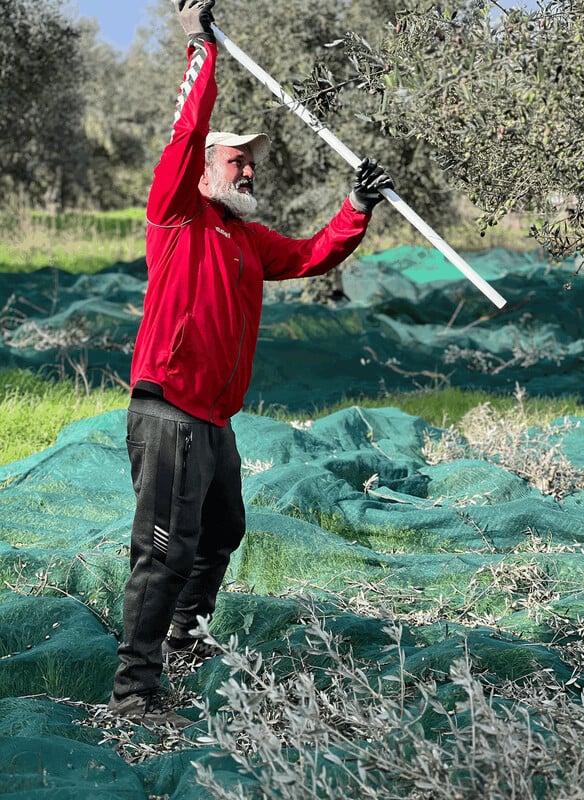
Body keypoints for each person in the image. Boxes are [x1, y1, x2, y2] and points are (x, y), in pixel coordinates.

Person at [107, 0, 394, 727]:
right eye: (239, 161)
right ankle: (135, 691)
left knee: (222, 533)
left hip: (214, 421)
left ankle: (187, 638)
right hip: (169, 410)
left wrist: (354, 207)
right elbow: (187, 131)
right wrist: (200, 50)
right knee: (164, 554)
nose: (251, 170)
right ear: (204, 171)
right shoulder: (178, 213)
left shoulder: (246, 238)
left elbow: (309, 255)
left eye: (253, 163)